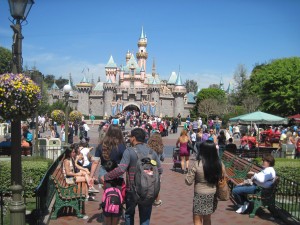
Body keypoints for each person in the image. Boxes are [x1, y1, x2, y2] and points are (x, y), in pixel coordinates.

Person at [101, 128, 163, 225]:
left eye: (130, 137)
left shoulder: (129, 151)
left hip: (132, 189)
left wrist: (106, 176)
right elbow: (159, 170)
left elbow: (121, 169)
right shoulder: (152, 152)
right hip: (148, 190)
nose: (129, 138)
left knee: (129, 214)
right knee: (145, 217)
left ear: (134, 138)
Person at [185, 140, 222, 225]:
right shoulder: (218, 164)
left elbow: (188, 181)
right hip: (212, 194)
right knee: (207, 218)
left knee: (197, 218)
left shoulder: (197, 164)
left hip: (200, 194)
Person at [147, 133, 164, 207]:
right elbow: (163, 157)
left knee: (148, 183)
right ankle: (157, 200)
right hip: (157, 168)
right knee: (157, 185)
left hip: (149, 167)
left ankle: (149, 197)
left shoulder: (148, 147)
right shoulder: (161, 147)